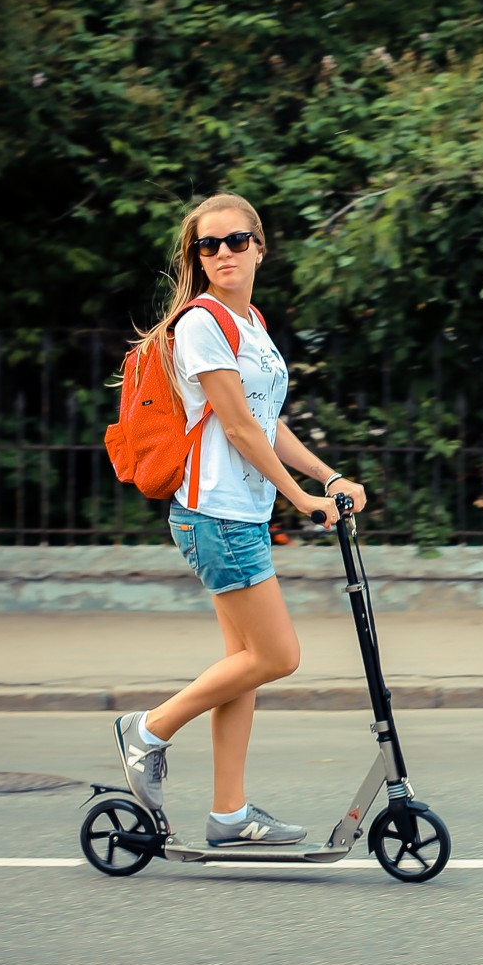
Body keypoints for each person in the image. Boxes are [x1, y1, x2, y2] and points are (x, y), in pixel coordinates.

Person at [113, 192, 367, 847]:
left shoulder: (249, 321)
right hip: (215, 512)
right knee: (278, 656)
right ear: (195, 257)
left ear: (259, 246)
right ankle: (147, 731)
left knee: (245, 665)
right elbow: (236, 427)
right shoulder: (202, 323)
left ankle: (229, 814)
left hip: (237, 515)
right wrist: (301, 501)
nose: (223, 253)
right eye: (208, 244)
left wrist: (327, 477)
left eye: (235, 240)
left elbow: (268, 423)